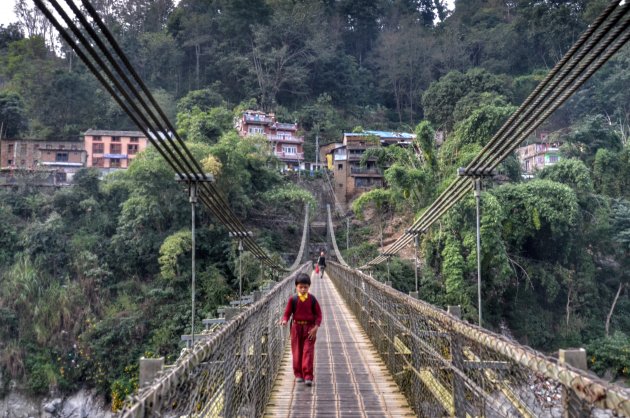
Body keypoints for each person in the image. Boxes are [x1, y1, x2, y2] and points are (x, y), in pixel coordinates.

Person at [280, 273, 322, 386]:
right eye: (301, 287)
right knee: (297, 352)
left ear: (309, 287)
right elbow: (287, 313)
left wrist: (316, 328)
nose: (303, 289)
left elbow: (319, 315)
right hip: (296, 328)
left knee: (308, 351)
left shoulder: (312, 299)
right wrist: (284, 320)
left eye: (305, 287)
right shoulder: (293, 299)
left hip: (310, 328)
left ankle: (308, 375)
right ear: (296, 287)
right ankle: (298, 374)